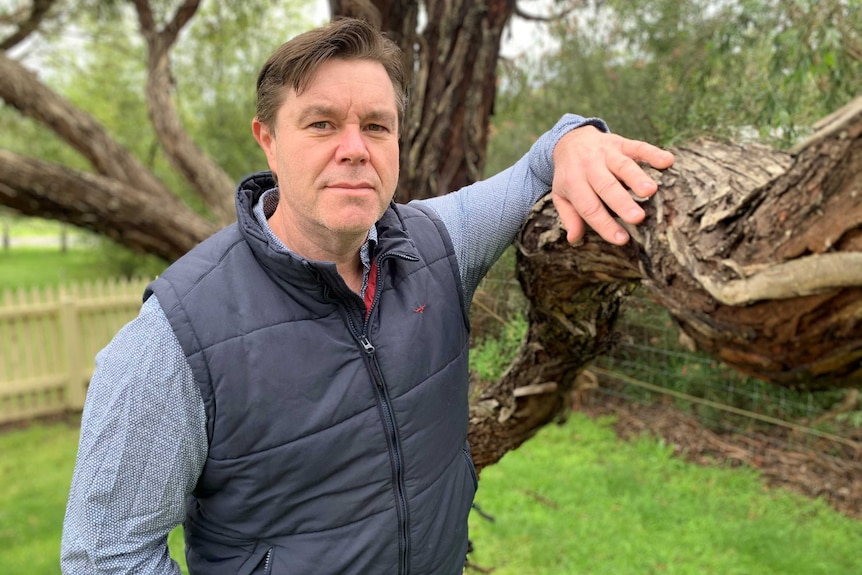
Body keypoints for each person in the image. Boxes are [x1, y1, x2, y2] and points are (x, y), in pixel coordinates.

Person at [60, 17, 673, 575]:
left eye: (376, 126)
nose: (355, 147)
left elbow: (543, 163)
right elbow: (105, 555)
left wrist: (579, 140)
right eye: (322, 123)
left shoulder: (441, 244)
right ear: (268, 140)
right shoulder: (178, 332)